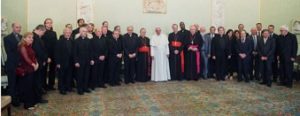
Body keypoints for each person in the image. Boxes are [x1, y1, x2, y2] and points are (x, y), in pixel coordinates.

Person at [17, 32, 40, 110]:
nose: (31, 39)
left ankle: (32, 102)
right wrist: (34, 65)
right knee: (28, 87)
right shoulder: (22, 46)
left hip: (32, 69)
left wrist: (37, 63)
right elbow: (26, 58)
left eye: (32, 37)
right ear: (24, 38)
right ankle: (27, 105)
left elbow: (33, 56)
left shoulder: (29, 46)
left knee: (32, 86)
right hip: (26, 69)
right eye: (29, 37)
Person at [4, 22, 22, 106]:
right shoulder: (7, 38)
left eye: (19, 27)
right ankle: (13, 100)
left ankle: (18, 98)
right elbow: (9, 52)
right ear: (13, 27)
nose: (18, 29)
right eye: (17, 27)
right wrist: (18, 45)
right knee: (12, 83)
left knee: (19, 82)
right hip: (12, 64)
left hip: (21, 64)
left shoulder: (22, 37)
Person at [73, 26, 94, 95]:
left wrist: (91, 59)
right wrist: (76, 62)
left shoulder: (89, 40)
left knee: (86, 75)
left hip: (88, 61)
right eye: (83, 31)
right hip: (79, 62)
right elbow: (74, 53)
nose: (84, 32)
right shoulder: (76, 41)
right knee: (80, 76)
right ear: (80, 32)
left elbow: (91, 51)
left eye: (85, 31)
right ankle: (80, 89)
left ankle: (85, 88)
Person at [32, 25, 48, 103]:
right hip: (37, 62)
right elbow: (38, 51)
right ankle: (38, 98)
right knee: (37, 80)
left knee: (39, 80)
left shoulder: (36, 37)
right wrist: (46, 58)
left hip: (39, 62)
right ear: (40, 30)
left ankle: (38, 96)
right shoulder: (34, 38)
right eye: (43, 32)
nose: (43, 34)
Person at [55, 28, 74, 95]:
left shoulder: (72, 41)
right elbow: (57, 53)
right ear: (64, 33)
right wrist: (58, 63)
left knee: (69, 76)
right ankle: (61, 89)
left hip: (70, 62)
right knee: (62, 76)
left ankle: (68, 87)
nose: (68, 34)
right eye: (67, 32)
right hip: (62, 62)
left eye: (69, 32)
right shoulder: (59, 41)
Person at [42, 18, 57, 91]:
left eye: (50, 23)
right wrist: (46, 56)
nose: (49, 24)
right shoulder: (42, 32)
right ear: (44, 24)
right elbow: (42, 45)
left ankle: (51, 85)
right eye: (47, 23)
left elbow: (55, 44)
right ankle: (44, 85)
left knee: (52, 70)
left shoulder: (54, 33)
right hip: (45, 54)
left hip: (53, 54)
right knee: (44, 71)